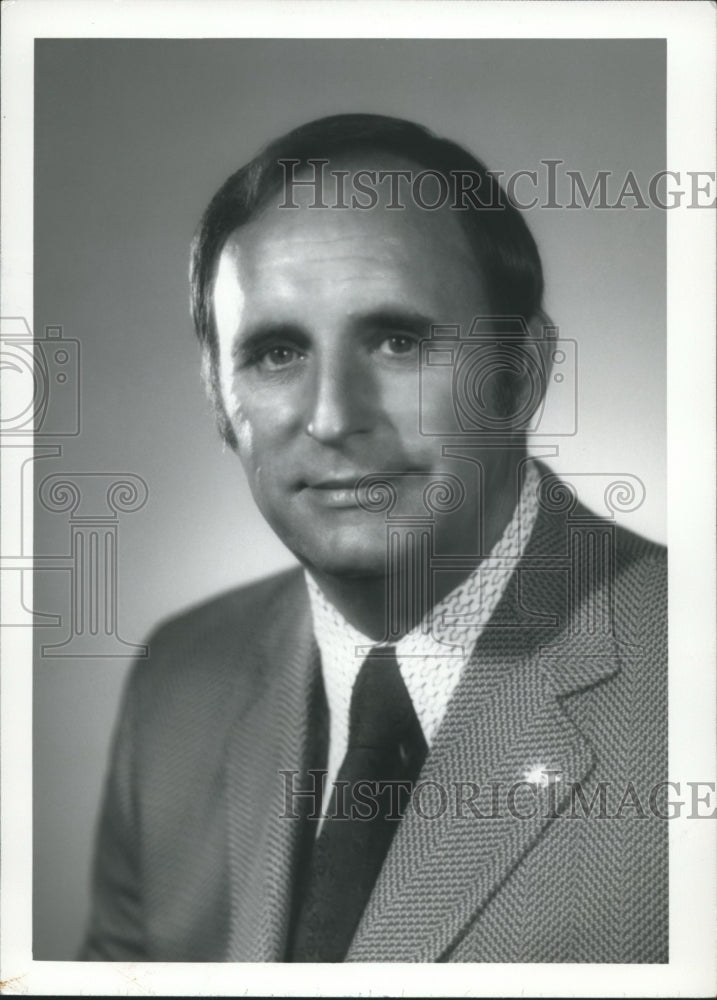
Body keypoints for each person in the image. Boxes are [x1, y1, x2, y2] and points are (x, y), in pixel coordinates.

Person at [81, 114, 667, 963]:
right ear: (219, 400)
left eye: (397, 341)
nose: (331, 417)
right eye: (278, 352)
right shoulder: (177, 684)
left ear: (523, 372)